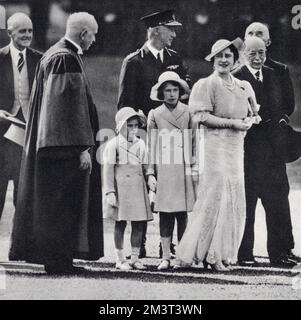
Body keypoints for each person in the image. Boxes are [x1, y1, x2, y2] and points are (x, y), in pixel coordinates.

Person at [9, 12, 104, 274]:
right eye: (92, 34)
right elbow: (66, 109)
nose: (94, 40)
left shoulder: (55, 54)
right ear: (83, 33)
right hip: (62, 147)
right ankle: (58, 262)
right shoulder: (64, 58)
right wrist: (82, 147)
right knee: (62, 204)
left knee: (57, 204)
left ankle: (61, 259)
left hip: (52, 145)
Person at [177, 38, 257, 271]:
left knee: (233, 198)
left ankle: (221, 255)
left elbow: (252, 114)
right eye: (219, 56)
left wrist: (249, 122)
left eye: (228, 56)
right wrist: (233, 123)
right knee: (215, 197)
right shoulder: (206, 84)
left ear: (235, 60)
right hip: (213, 147)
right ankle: (206, 254)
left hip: (235, 149)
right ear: (212, 60)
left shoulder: (243, 85)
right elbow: (201, 117)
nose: (223, 60)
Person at [117, 10, 190, 258]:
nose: (174, 33)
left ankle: (167, 245)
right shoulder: (134, 61)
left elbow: (184, 95)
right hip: (145, 137)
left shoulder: (176, 59)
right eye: (170, 29)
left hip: (172, 139)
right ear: (156, 30)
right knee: (142, 190)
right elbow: (124, 105)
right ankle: (139, 244)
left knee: (171, 189)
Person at [234, 37, 297, 268]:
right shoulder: (237, 76)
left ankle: (278, 253)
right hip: (247, 151)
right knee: (247, 203)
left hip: (273, 152)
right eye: (252, 54)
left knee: (276, 202)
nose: (258, 58)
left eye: (261, 53)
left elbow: (281, 107)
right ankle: (244, 253)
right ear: (243, 54)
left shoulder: (272, 74)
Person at [147, 71, 196, 270]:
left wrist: (195, 166)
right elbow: (150, 146)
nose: (172, 94)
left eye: (175, 90)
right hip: (164, 169)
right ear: (161, 93)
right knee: (166, 214)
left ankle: (182, 256)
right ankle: (165, 256)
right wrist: (150, 173)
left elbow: (194, 142)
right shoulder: (155, 114)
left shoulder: (188, 112)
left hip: (183, 168)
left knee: (182, 213)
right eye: (167, 90)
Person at [0, 13, 42, 221]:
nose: (27, 35)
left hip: (28, 135)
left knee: (24, 195)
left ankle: (20, 248)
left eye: (30, 31)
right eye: (22, 31)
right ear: (10, 33)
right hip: (1, 135)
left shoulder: (40, 60)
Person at [103, 107, 153, 271]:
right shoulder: (113, 144)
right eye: (129, 125)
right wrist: (110, 191)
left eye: (135, 126)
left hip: (138, 189)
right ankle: (120, 259)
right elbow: (108, 168)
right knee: (120, 223)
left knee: (139, 224)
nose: (133, 129)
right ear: (121, 126)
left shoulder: (141, 143)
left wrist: (151, 178)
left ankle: (135, 258)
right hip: (121, 190)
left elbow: (146, 165)